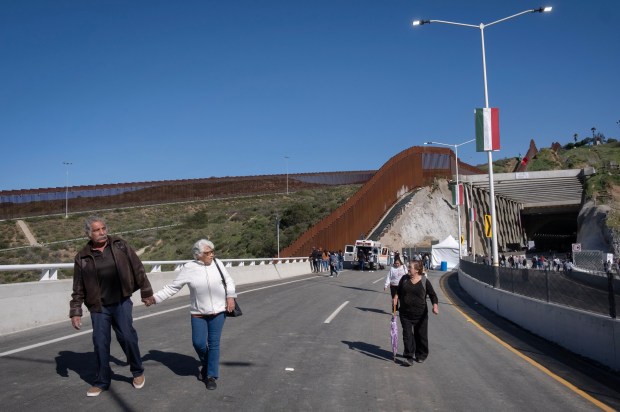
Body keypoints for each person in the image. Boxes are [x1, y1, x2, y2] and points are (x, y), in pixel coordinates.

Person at [69, 216, 153, 397]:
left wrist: (146, 292)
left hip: (121, 301)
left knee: (127, 337)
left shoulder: (119, 245)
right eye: (97, 230)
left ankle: (137, 371)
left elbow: (138, 268)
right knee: (100, 343)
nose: (102, 232)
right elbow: (78, 287)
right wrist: (75, 311)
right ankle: (101, 381)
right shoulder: (82, 257)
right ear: (88, 234)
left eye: (103, 228)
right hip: (99, 307)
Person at [142, 239, 236, 391]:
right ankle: (207, 364)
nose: (211, 255)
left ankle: (211, 376)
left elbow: (229, 281)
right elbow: (173, 287)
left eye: (213, 251)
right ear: (198, 255)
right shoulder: (189, 268)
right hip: (198, 313)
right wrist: (154, 298)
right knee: (198, 343)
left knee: (214, 345)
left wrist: (230, 296)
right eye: (208, 253)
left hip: (219, 311)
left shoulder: (218, 263)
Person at [393, 261, 439, 366]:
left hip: (420, 315)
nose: (408, 269)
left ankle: (421, 355)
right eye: (408, 267)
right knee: (407, 335)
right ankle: (408, 357)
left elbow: (433, 295)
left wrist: (435, 306)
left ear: (417, 270)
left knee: (421, 336)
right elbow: (398, 291)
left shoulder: (424, 281)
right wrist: (396, 297)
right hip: (405, 314)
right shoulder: (404, 279)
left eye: (410, 268)